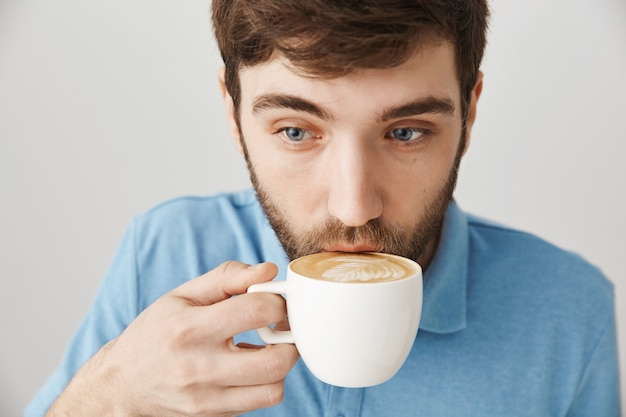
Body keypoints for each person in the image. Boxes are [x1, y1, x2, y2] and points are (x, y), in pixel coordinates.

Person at [26, 0, 620, 416]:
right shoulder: (162, 253)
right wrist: (109, 400)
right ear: (234, 113)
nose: (354, 206)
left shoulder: (570, 312)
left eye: (407, 132)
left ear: (469, 113)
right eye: (295, 131)